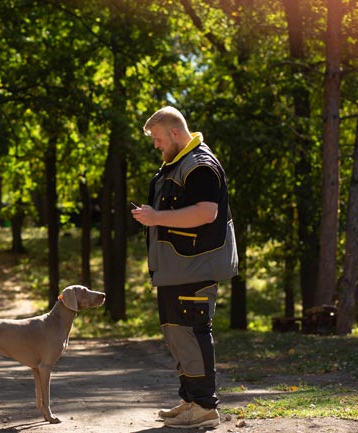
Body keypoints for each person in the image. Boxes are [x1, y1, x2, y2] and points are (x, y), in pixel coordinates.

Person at [131, 106, 238, 429]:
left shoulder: (199, 166)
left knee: (192, 333)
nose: (156, 145)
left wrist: (157, 218)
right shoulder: (177, 165)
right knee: (178, 334)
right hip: (177, 269)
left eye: (159, 139)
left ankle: (205, 407)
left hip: (196, 267)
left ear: (175, 133)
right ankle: (191, 399)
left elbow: (206, 213)